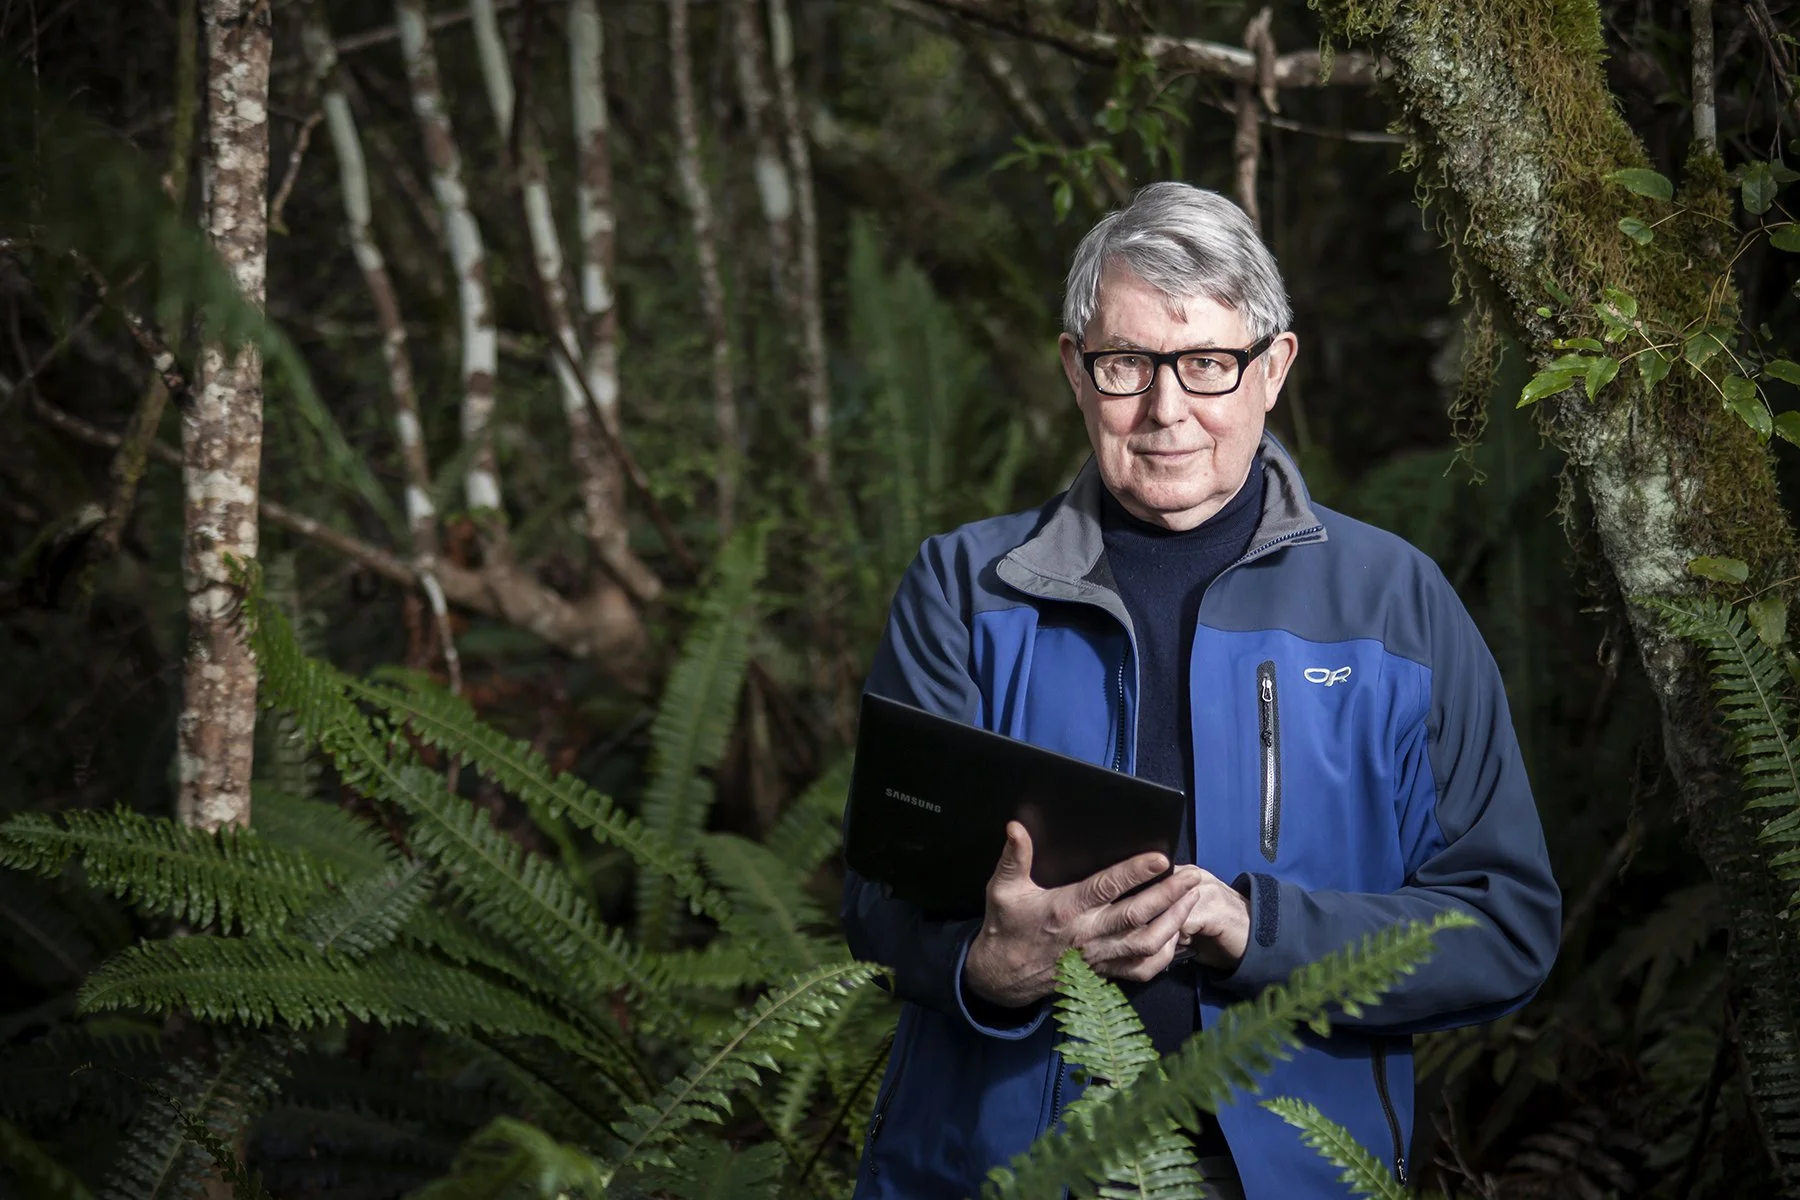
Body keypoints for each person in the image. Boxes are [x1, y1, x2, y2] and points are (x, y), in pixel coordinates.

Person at [841, 182, 1561, 1199]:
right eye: (1126, 363)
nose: (1166, 409)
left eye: (1209, 365)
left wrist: (1261, 934)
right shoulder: (964, 589)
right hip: (1007, 1170)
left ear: (1273, 370)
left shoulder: (1394, 604)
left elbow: (1504, 927)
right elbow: (875, 895)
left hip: (1288, 1177)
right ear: (1075, 370)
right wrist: (987, 968)